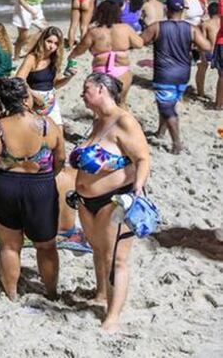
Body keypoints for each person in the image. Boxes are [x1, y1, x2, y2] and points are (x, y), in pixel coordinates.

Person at [69, 73, 150, 333]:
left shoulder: (124, 121)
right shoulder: (98, 121)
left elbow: (142, 159)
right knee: (98, 250)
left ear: (102, 90)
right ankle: (102, 293)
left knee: (117, 258)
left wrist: (138, 187)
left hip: (115, 200)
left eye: (86, 89)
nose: (82, 94)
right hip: (87, 201)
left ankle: (113, 316)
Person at [0, 77, 65, 300]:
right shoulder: (48, 126)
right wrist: (47, 177)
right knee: (46, 246)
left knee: (9, 245)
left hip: (5, 186)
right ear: (26, 99)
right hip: (40, 187)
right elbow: (61, 159)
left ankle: (12, 293)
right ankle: (52, 292)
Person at [140, 0, 213, 153]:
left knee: (167, 108)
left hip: (164, 74)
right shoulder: (191, 29)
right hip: (183, 74)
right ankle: (160, 132)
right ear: (183, 11)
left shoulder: (157, 27)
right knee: (168, 103)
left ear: (167, 9)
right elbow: (207, 46)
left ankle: (177, 143)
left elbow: (140, 42)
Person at [68, 1, 143, 107]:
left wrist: (71, 56)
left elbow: (79, 49)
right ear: (118, 13)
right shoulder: (125, 28)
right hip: (122, 71)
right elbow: (139, 44)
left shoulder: (93, 32)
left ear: (99, 13)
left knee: (99, 106)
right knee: (121, 103)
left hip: (100, 72)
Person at [197, 1, 221, 102]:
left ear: (209, 12)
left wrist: (202, 56)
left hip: (209, 53)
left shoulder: (206, 24)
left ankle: (201, 92)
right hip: (220, 51)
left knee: (201, 68)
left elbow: (202, 42)